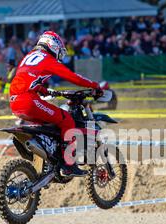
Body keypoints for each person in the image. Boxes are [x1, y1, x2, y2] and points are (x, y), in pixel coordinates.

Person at [9, 31, 102, 177]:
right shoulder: (47, 59)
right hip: (28, 100)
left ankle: (49, 157)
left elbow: (24, 78)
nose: (60, 52)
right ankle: (68, 164)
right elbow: (73, 77)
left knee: (48, 125)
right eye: (59, 48)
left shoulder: (28, 57)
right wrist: (94, 85)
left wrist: (42, 89)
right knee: (66, 119)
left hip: (14, 101)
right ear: (52, 45)